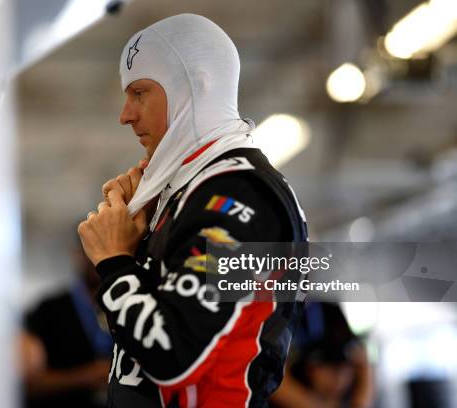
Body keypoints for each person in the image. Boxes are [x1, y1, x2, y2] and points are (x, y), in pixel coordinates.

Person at [77, 14, 308, 407]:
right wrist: (135, 247)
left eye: (139, 93)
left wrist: (113, 262)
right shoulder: (192, 192)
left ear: (194, 86)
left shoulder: (240, 193)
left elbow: (174, 352)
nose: (125, 115)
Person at [19, 239, 113, 408]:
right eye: (90, 250)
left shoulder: (126, 307)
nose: (98, 257)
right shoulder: (47, 310)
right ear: (76, 254)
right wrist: (87, 376)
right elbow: (29, 382)